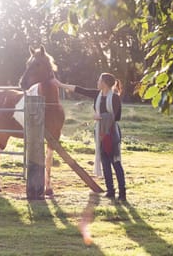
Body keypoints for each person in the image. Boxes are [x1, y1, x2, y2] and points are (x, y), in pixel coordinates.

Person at [52, 73, 126, 201]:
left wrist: (100, 117)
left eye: (99, 80)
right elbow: (80, 89)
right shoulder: (98, 95)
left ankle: (122, 193)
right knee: (105, 162)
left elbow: (117, 117)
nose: (97, 82)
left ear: (104, 83)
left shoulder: (114, 98)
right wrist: (60, 85)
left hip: (112, 133)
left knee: (116, 162)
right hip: (100, 133)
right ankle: (110, 190)